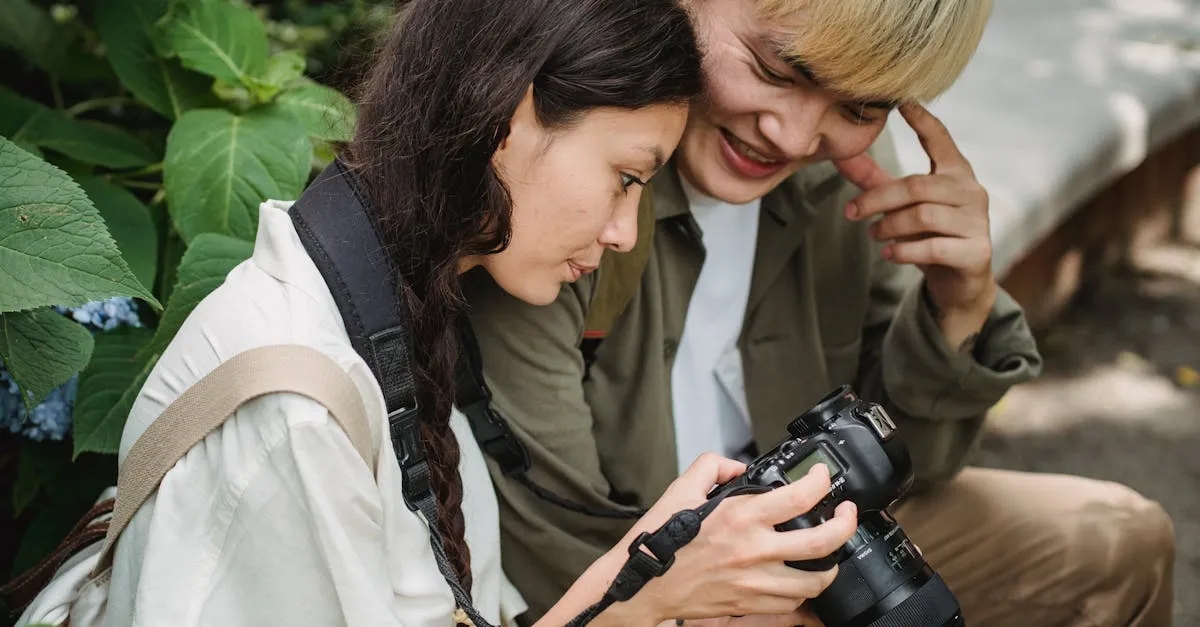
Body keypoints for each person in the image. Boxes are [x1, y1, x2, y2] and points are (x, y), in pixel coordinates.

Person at [101, 0, 863, 625]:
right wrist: (643, 596)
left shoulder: (386, 322)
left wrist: (646, 565)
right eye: (627, 177)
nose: (625, 230)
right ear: (509, 116)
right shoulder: (297, 413)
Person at [462, 0, 1178, 624]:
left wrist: (958, 306)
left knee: (1120, 542)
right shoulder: (574, 209)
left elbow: (917, 466)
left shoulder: (847, 172)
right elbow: (568, 562)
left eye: (860, 107)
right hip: (654, 583)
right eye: (777, 70)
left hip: (814, 545)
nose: (797, 138)